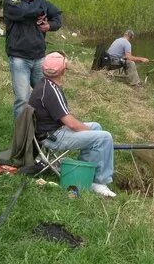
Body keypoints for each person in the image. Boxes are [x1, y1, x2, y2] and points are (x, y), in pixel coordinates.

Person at [29, 52, 116, 197]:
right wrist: (86, 131)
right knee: (104, 137)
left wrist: (89, 130)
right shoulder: (50, 90)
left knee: (96, 126)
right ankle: (99, 182)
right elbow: (71, 123)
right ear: (63, 70)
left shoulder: (45, 84)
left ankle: (86, 173)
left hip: (51, 131)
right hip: (53, 137)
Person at [3, 0, 62, 120]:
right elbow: (24, 12)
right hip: (19, 58)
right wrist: (41, 11)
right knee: (23, 99)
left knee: (46, 95)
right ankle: (21, 138)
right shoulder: (11, 1)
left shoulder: (41, 3)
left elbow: (57, 16)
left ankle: (44, 132)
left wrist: (49, 25)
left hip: (39, 58)